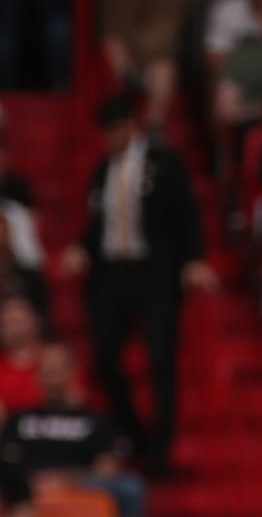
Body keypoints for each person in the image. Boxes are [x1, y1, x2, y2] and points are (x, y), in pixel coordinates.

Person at [66, 84, 211, 474]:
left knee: (161, 360)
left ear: (131, 125)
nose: (112, 137)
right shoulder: (102, 171)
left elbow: (186, 213)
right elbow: (98, 223)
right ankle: (136, 432)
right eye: (106, 131)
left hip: (154, 270)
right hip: (113, 272)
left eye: (117, 128)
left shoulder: (163, 162)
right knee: (105, 357)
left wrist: (194, 259)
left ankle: (161, 448)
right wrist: (82, 248)